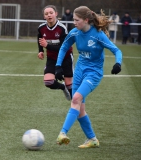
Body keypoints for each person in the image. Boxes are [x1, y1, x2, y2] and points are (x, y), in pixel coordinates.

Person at [55, 6, 122, 148]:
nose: (74, 22)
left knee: (75, 99)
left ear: (86, 20)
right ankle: (92, 139)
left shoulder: (97, 35)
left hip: (93, 73)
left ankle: (63, 133)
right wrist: (58, 66)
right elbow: (63, 47)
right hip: (79, 72)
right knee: (79, 109)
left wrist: (118, 63)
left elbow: (116, 50)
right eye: (73, 19)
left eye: (76, 20)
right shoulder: (75, 33)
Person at [38, 5, 73, 101]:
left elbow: (63, 48)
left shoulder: (62, 29)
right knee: (49, 82)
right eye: (46, 14)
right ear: (44, 16)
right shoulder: (41, 28)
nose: (49, 15)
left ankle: (76, 107)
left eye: (51, 13)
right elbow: (40, 38)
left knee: (70, 85)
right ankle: (62, 87)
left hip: (65, 57)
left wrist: (47, 46)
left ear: (56, 14)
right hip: (52, 58)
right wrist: (40, 50)